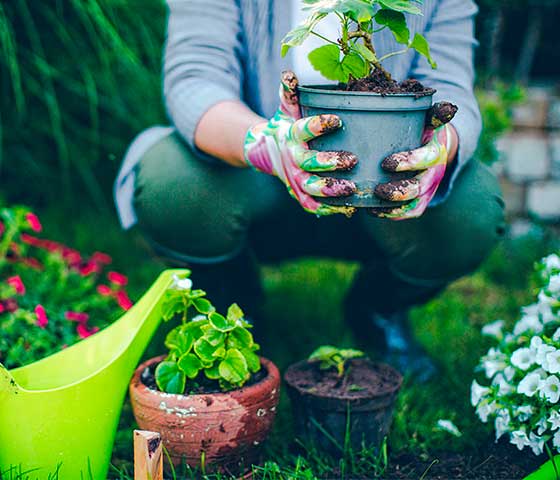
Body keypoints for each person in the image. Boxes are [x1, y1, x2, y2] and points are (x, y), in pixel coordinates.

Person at [114, 0, 505, 379]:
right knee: (173, 182)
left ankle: (378, 306)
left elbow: (452, 89)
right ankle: (232, 298)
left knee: (471, 210)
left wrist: (441, 149)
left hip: (381, 185)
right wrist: (265, 144)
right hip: (253, 179)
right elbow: (195, 80)